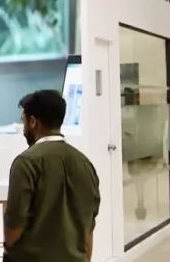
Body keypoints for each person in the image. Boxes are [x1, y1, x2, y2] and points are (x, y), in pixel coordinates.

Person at [5, 90, 100, 262]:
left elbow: (13, 230)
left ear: (33, 122)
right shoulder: (85, 164)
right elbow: (88, 229)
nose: (23, 128)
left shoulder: (25, 163)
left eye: (23, 121)